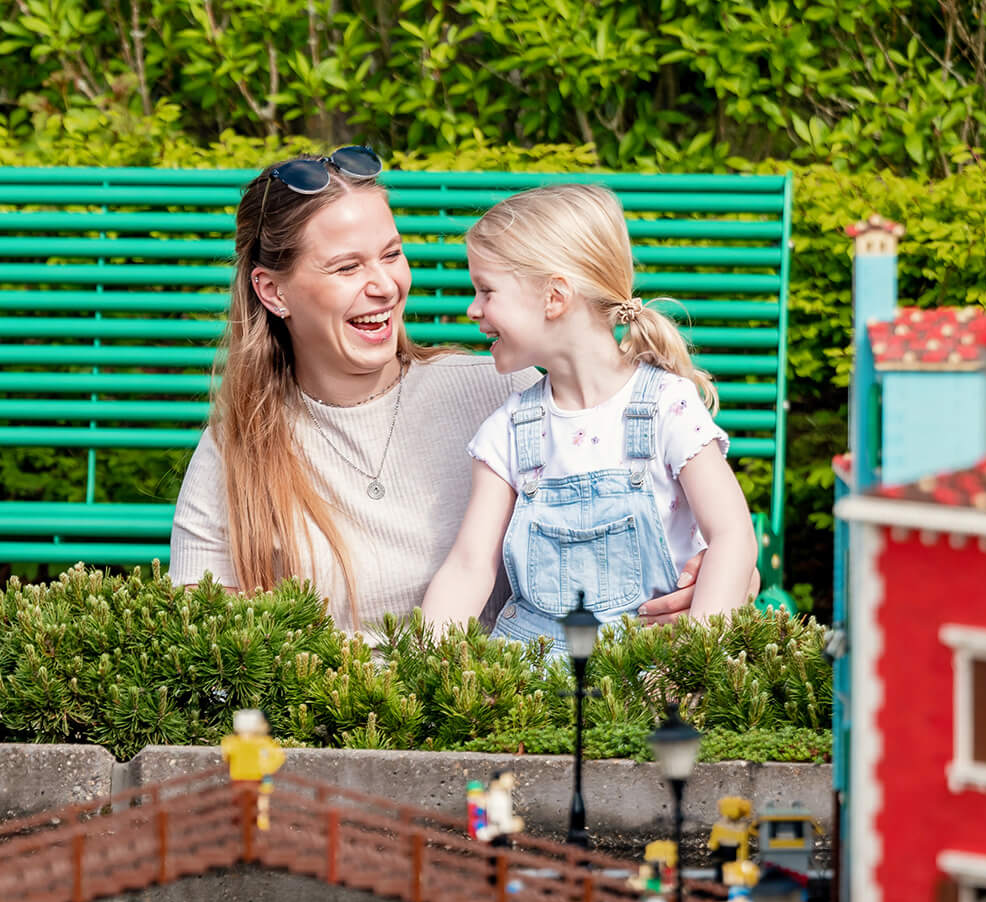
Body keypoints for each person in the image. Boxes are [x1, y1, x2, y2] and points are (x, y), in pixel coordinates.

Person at [171, 149, 733, 634]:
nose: (385, 286)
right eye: (346, 267)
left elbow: (698, 534)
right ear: (273, 292)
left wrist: (710, 582)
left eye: (391, 254)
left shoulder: (502, 393)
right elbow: (204, 653)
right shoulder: (236, 452)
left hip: (512, 718)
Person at [419, 184, 758, 639]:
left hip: (655, 669)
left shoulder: (666, 406)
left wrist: (689, 668)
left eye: (486, 290)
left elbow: (733, 537)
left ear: (554, 297)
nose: (472, 308)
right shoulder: (508, 431)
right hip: (534, 679)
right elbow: (468, 567)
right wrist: (424, 669)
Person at [221, 708, 285, 829]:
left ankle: (254, 827)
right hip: (244, 778)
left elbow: (226, 755)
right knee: (244, 804)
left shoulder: (258, 742)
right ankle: (245, 827)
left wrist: (266, 768)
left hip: (252, 779)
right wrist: (266, 768)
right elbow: (278, 756)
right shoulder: (261, 742)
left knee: (257, 805)